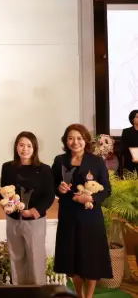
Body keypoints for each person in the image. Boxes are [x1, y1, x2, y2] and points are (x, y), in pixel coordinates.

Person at [53, 124, 113, 298]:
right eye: (71, 138)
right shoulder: (59, 160)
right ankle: (79, 294)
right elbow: (53, 185)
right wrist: (59, 189)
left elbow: (107, 190)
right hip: (68, 216)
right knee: (71, 259)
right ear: (66, 141)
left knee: (91, 258)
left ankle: (89, 296)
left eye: (79, 138)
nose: (75, 142)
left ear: (86, 140)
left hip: (90, 217)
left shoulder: (96, 161)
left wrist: (91, 198)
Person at [0, 131, 55, 285]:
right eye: (21, 145)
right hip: (13, 219)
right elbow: (3, 192)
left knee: (35, 258)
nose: (25, 149)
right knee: (15, 257)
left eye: (29, 146)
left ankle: (38, 291)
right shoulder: (7, 167)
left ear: (35, 148)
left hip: (35, 221)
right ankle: (19, 291)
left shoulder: (44, 169)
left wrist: (33, 211)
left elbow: (49, 196)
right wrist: (9, 207)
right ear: (16, 147)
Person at [120, 109, 138, 174]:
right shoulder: (126, 132)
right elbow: (123, 148)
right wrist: (132, 158)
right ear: (133, 119)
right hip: (130, 163)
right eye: (137, 117)